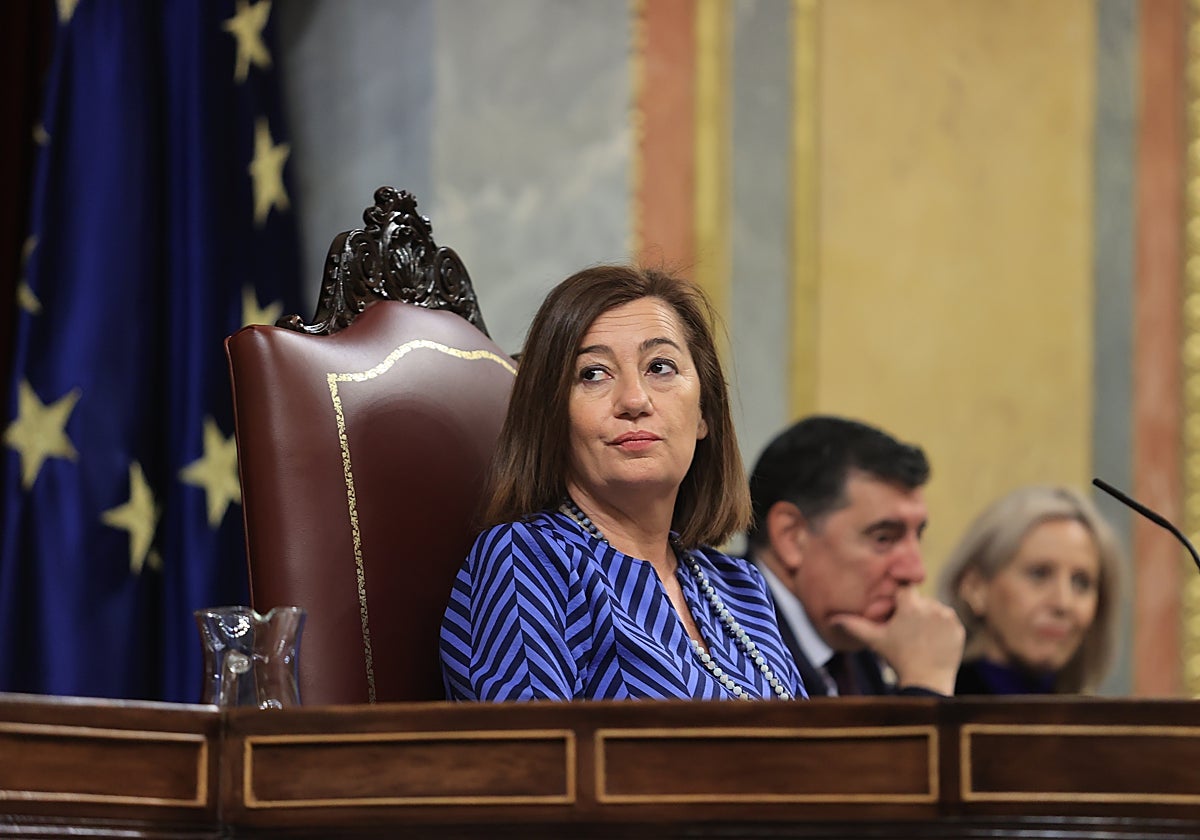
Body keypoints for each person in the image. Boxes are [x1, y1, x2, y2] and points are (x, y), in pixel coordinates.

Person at [440, 265, 805, 701]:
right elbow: (534, 762)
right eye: (593, 374)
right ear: (551, 419)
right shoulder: (530, 561)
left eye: (661, 367)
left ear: (705, 412)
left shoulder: (738, 584)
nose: (634, 400)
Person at [745, 415, 963, 697]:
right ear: (791, 536)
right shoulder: (727, 647)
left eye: (916, 536)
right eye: (883, 538)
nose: (915, 571)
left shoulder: (853, 642)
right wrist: (925, 684)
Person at [938, 485, 1122, 695]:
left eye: (1081, 583)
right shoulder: (938, 706)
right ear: (975, 588)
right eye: (1039, 574)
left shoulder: (1095, 721)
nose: (1063, 603)